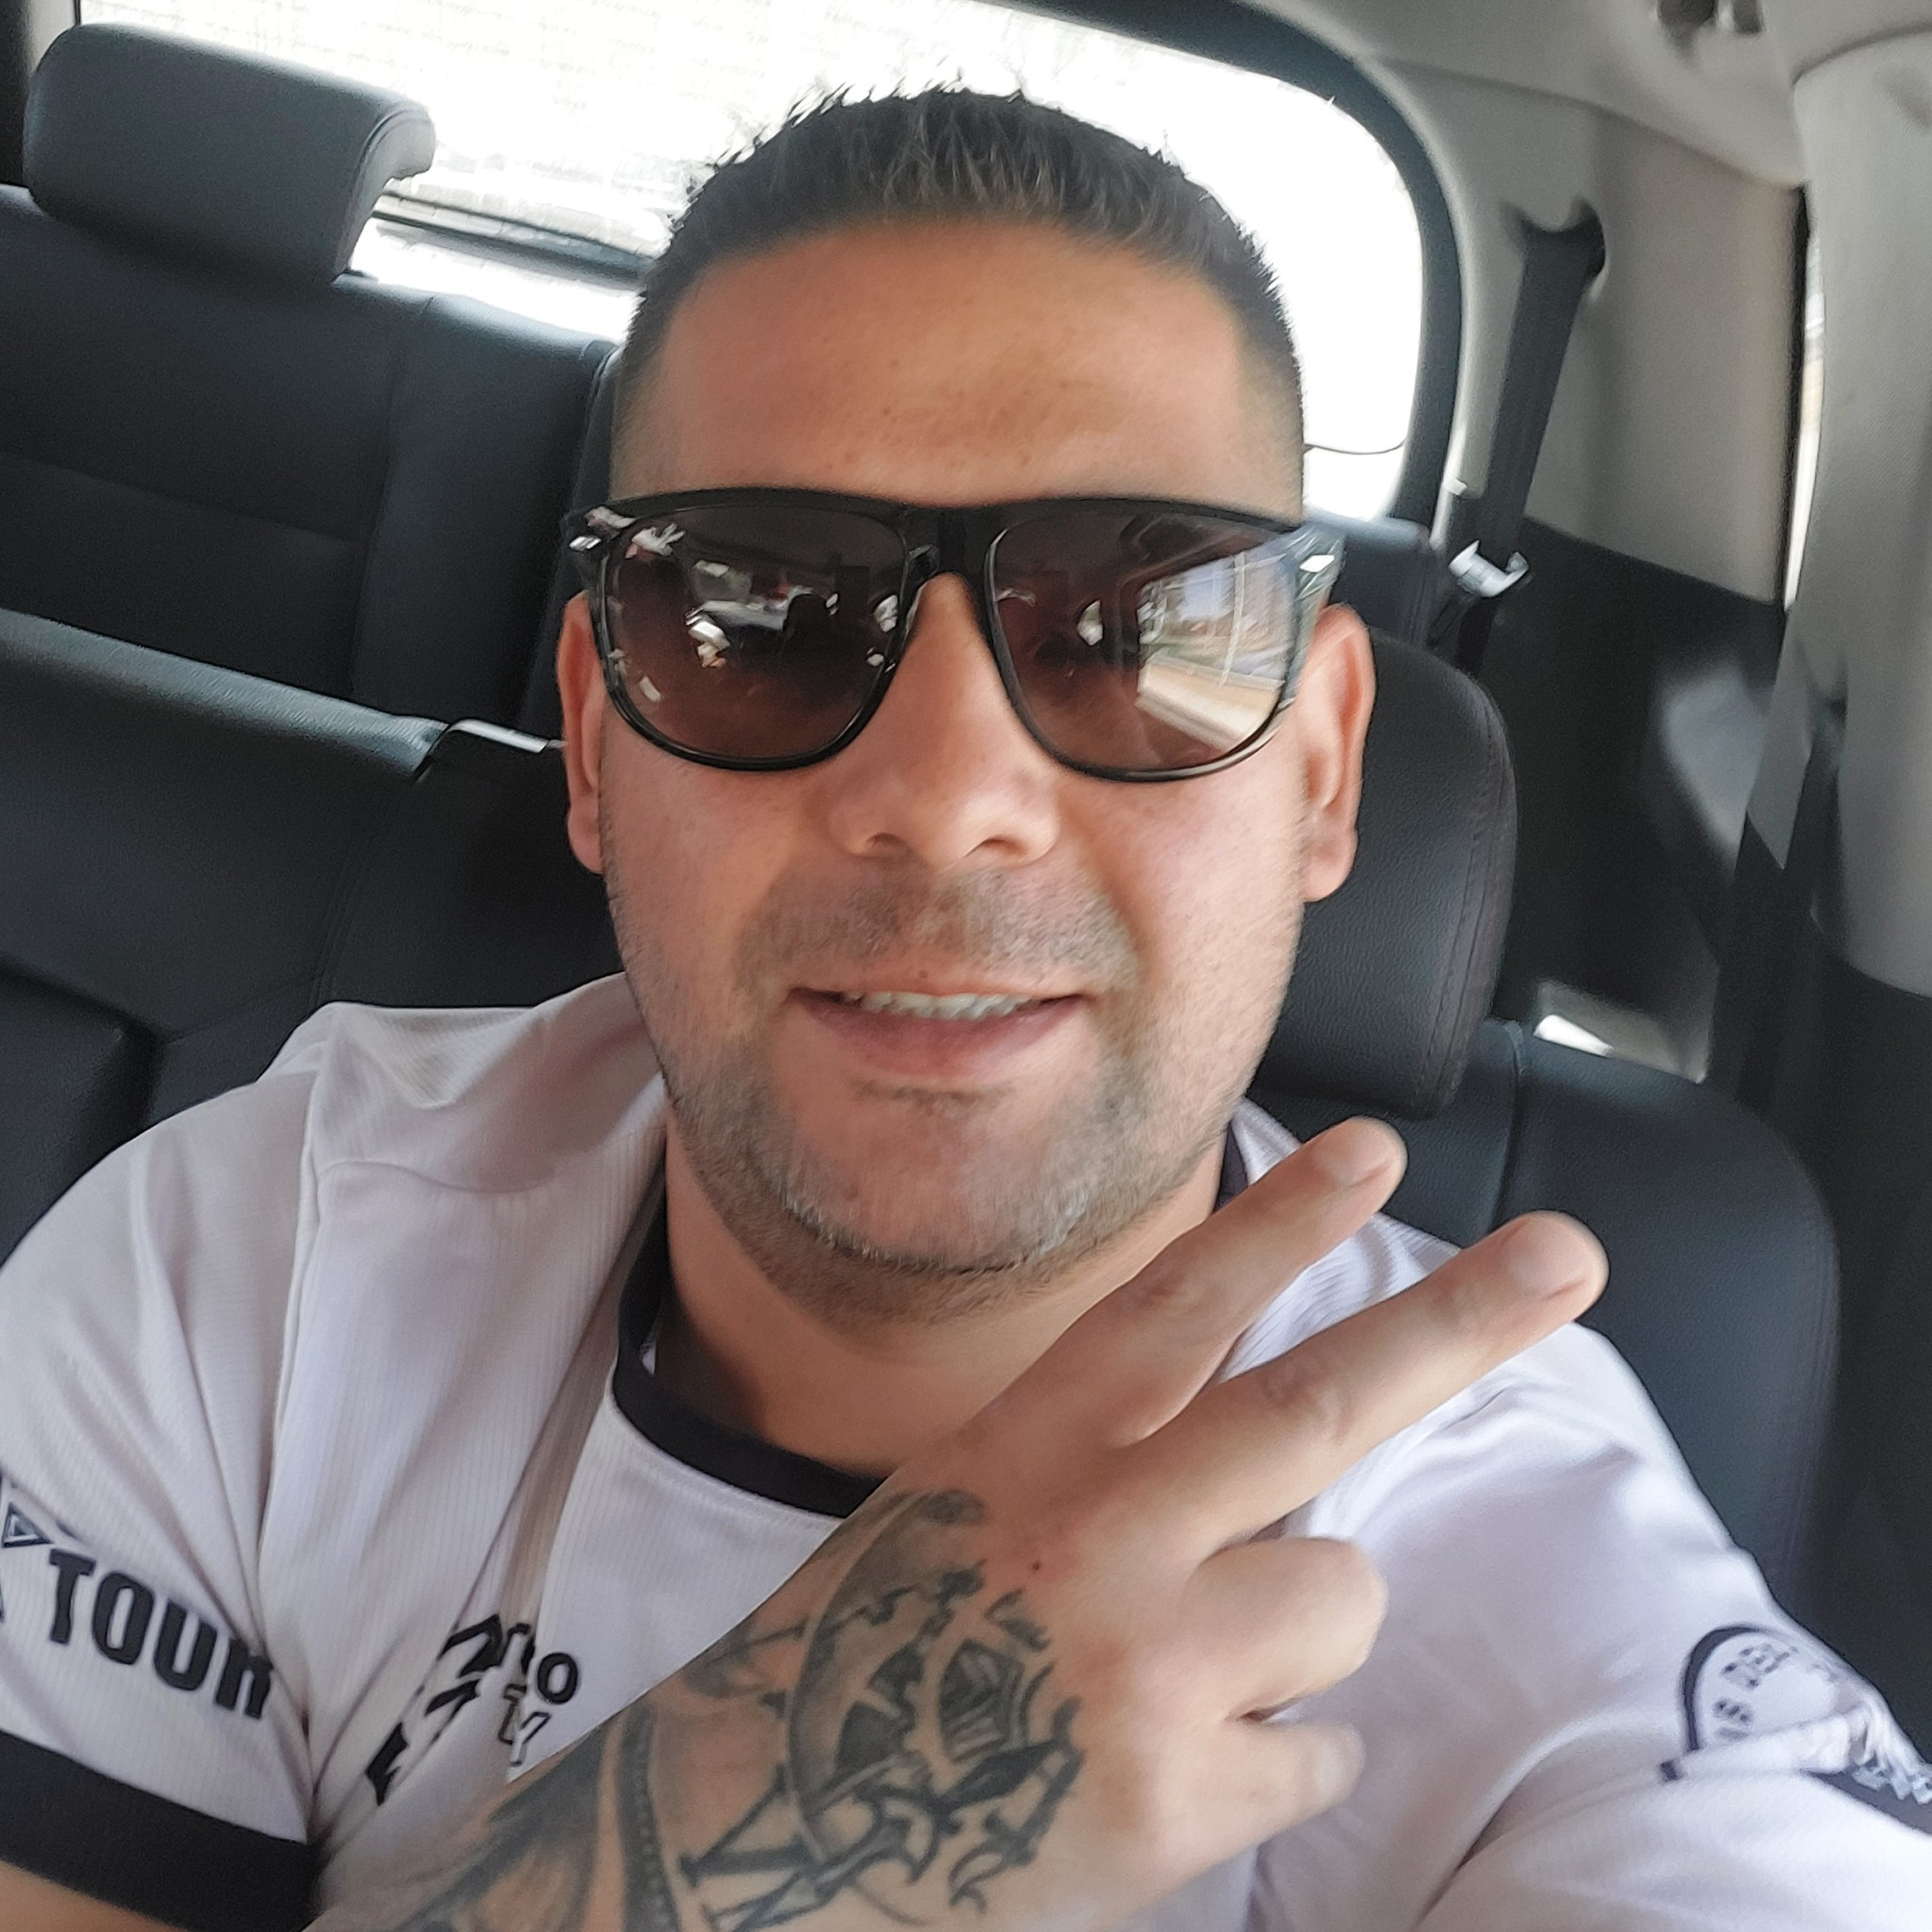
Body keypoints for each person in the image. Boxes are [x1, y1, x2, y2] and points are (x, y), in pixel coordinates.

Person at [0, 90, 1925, 1932]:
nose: (943, 791)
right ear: (593, 738)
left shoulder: (1553, 1597)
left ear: (1323, 767)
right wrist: (749, 1844)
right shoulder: (255, 1260)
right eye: (757, 615)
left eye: (1135, 628)